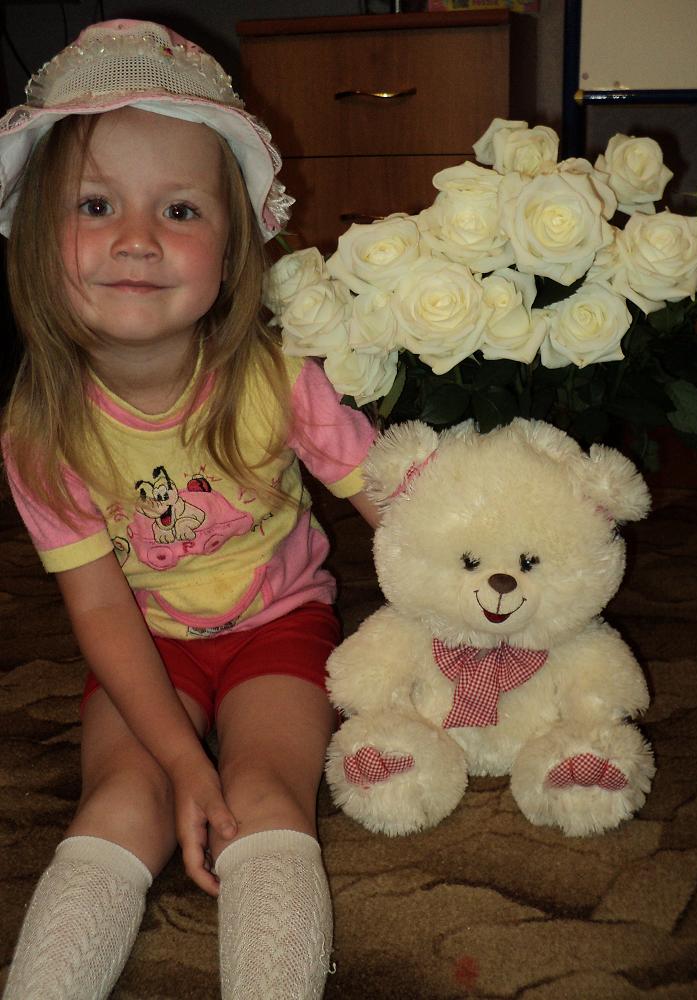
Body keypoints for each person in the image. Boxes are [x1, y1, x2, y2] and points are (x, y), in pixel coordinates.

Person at [0, 19, 380, 1000]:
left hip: (281, 626)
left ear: (234, 245)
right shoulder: (39, 431)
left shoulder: (277, 379)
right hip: (147, 644)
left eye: (178, 209)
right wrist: (179, 759)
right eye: (96, 204)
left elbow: (395, 501)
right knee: (123, 800)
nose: (136, 238)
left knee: (264, 794)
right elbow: (99, 608)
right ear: (37, 237)